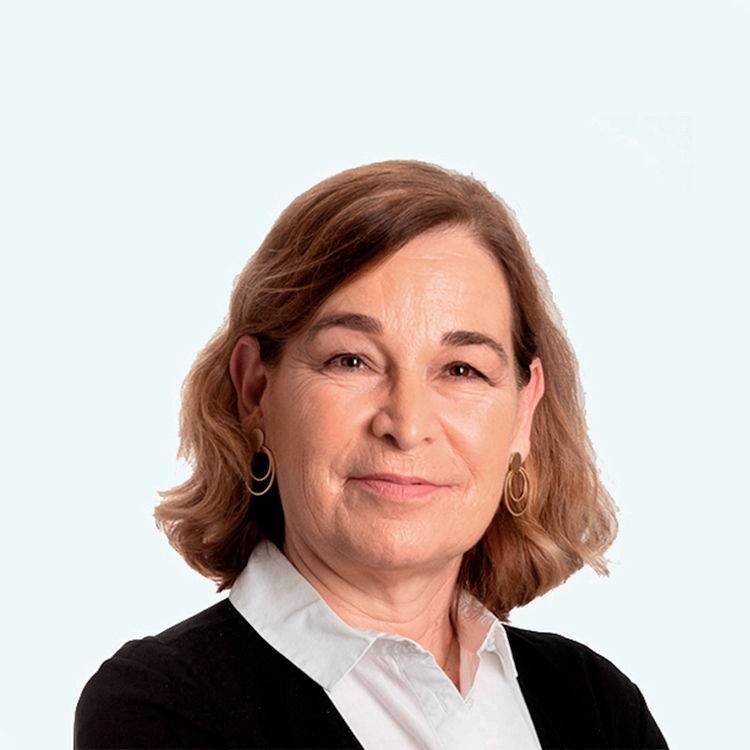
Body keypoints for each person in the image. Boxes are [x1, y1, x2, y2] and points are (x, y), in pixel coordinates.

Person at [74, 159, 669, 749]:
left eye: (462, 370)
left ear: (522, 412)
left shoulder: (596, 704)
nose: (406, 426)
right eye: (351, 360)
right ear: (255, 390)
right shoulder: (159, 706)